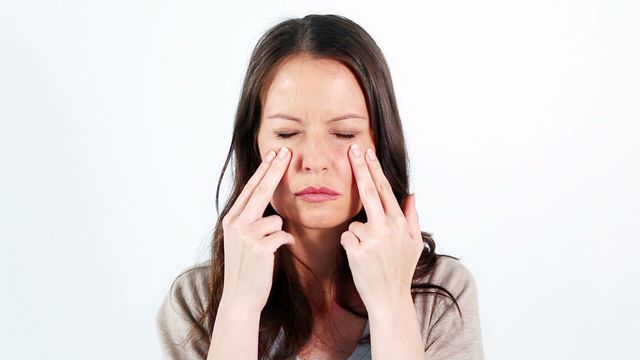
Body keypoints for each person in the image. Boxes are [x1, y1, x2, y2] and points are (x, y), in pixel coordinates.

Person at [156, 14, 484, 360]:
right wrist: (239, 306)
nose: (314, 160)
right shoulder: (195, 300)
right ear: (253, 145)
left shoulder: (442, 293)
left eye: (344, 134)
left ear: (381, 144)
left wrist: (391, 304)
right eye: (286, 134)